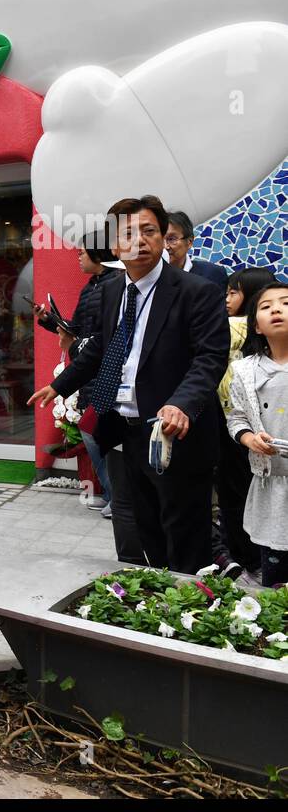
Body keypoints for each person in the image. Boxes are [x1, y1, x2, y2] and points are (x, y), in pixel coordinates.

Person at [30, 196, 228, 575]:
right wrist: (60, 384)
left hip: (176, 435)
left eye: (150, 231)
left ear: (165, 238)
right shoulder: (110, 291)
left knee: (187, 541)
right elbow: (102, 349)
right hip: (130, 434)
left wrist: (181, 404)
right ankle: (155, 608)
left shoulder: (196, 291)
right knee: (146, 533)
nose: (139, 240)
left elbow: (209, 358)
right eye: (128, 233)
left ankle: (191, 613)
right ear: (115, 244)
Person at [36, 238, 124, 515]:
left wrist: (74, 347)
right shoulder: (91, 287)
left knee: (99, 434)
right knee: (91, 433)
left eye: (82, 253)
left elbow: (102, 339)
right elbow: (77, 329)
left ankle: (118, 498)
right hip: (88, 372)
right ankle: (113, 495)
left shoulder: (115, 285)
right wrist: (49, 320)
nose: (78, 258)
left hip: (103, 373)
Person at [215, 267, 276, 577]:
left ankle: (245, 555)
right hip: (255, 430)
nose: (227, 299)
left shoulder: (228, 327)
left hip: (235, 428)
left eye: (234, 292)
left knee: (236, 494)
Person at [226, 281, 288, 588]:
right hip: (271, 482)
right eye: (266, 306)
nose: (276, 309)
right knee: (274, 565)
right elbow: (236, 418)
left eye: (285, 303)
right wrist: (249, 438)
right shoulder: (245, 371)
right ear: (257, 326)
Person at [165, 210, 226, 286]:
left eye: (171, 239)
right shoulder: (150, 279)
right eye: (159, 240)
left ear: (189, 242)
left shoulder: (212, 273)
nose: (165, 246)